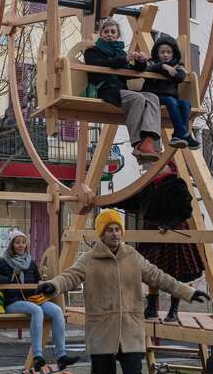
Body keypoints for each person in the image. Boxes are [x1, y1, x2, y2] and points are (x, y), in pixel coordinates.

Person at [38, 209, 209, 374]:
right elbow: (69, 277)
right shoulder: (88, 259)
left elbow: (160, 277)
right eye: (110, 229)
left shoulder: (134, 257)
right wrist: (52, 286)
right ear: (102, 233)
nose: (115, 233)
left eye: (118, 229)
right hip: (102, 332)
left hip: (130, 333)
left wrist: (189, 292)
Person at [0, 229, 79, 371]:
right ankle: (38, 355)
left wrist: (42, 283)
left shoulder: (30, 262)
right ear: (11, 244)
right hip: (12, 302)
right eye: (17, 242)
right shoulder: (2, 261)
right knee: (36, 310)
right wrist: (7, 279)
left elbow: (37, 280)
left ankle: (61, 356)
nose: (21, 245)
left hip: (32, 299)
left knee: (57, 310)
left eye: (23, 242)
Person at [124, 161, 204, 323]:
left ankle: (173, 310)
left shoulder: (177, 184)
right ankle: (152, 307)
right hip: (152, 231)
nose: (157, 167)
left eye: (162, 165)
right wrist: (109, 202)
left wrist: (169, 225)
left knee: (175, 272)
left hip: (172, 231)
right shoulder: (149, 185)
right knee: (150, 270)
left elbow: (185, 210)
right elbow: (132, 201)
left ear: (171, 168)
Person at [84, 18, 162, 162]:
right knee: (137, 98)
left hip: (121, 91)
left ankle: (148, 141)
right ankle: (137, 142)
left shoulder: (120, 53)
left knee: (152, 97)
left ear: (118, 35)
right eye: (106, 31)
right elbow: (102, 65)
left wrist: (140, 62)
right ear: (101, 34)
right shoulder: (92, 51)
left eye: (113, 32)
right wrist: (125, 59)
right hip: (105, 90)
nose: (109, 34)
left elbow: (131, 72)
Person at [141, 34, 200, 149]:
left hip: (171, 98)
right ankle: (185, 135)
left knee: (185, 104)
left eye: (169, 52)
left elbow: (180, 77)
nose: (166, 55)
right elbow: (147, 70)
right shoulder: (152, 63)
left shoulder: (178, 66)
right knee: (171, 101)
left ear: (173, 53)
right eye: (162, 52)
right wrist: (163, 66)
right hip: (154, 97)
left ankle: (178, 134)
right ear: (157, 53)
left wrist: (173, 69)